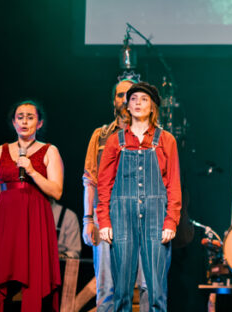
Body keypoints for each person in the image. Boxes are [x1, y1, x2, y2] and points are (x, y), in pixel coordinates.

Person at [97, 82, 181, 311]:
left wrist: (171, 220)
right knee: (122, 289)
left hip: (156, 216)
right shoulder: (116, 140)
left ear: (153, 107)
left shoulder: (166, 140)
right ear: (127, 106)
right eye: (133, 99)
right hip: (121, 216)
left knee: (156, 289)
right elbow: (103, 183)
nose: (138, 103)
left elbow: (173, 183)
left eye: (144, 99)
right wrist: (104, 220)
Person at [0, 101, 64, 311]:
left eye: (30, 117)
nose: (25, 121)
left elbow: (57, 192)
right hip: (6, 221)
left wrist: (33, 171)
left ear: (39, 123)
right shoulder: (0, 151)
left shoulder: (50, 151)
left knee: (34, 277)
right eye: (20, 117)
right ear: (13, 122)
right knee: (1, 277)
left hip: (35, 221)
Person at [82, 78, 148, 311]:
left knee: (146, 286)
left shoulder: (152, 135)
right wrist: (88, 219)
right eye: (120, 95)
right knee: (107, 288)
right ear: (114, 101)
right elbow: (89, 180)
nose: (125, 100)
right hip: (106, 215)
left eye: (130, 95)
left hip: (141, 217)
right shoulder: (100, 136)